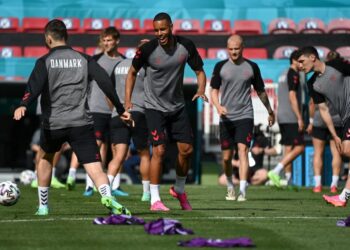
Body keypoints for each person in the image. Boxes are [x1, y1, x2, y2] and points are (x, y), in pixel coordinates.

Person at [13, 19, 132, 216]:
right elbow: (105, 82)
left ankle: (43, 207)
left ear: (48, 38)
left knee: (45, 159)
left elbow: (34, 86)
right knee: (94, 165)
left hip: (54, 123)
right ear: (66, 37)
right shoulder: (85, 59)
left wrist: (24, 104)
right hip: (81, 123)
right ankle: (107, 195)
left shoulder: (44, 61)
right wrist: (120, 108)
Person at [125, 12, 207, 211]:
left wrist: (201, 90)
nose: (159, 33)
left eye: (163, 29)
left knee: (186, 151)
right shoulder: (147, 49)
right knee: (159, 150)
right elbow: (132, 72)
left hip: (177, 107)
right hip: (154, 107)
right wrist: (127, 101)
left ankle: (179, 190)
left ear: (171, 26)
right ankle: (155, 200)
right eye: (156, 30)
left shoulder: (186, 46)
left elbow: (200, 71)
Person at [210, 34, 275, 201]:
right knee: (226, 158)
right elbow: (214, 90)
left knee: (243, 151)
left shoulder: (252, 67)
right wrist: (218, 106)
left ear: (242, 47)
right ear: (227, 49)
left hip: (245, 115)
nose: (233, 52)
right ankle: (231, 186)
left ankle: (243, 192)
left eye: (236, 49)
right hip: (226, 118)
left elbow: (260, 91)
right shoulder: (220, 67)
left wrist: (270, 110)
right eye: (230, 49)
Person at [65, 27, 128, 197]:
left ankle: (115, 185)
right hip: (97, 109)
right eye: (104, 40)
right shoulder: (95, 60)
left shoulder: (124, 62)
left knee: (116, 149)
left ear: (117, 41)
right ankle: (89, 186)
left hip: (116, 112)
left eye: (109, 40)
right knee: (96, 145)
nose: (107, 43)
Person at [297, 46, 350, 207]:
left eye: (301, 61)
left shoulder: (337, 65)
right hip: (345, 118)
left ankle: (343, 196)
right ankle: (343, 196)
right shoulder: (312, 83)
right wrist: (334, 134)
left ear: (313, 57)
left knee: (348, 150)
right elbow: (324, 110)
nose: (299, 65)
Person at [108, 44, 151, 202]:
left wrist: (115, 110)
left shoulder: (119, 65)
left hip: (117, 114)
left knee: (118, 156)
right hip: (138, 112)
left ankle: (106, 190)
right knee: (145, 154)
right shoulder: (148, 67)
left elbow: (109, 92)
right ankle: (146, 193)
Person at [268, 50, 305, 187]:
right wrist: (300, 117)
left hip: (282, 114)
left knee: (288, 147)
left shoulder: (282, 74)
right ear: (294, 61)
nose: (302, 64)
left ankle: (288, 179)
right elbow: (292, 96)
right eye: (300, 61)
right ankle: (276, 171)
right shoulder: (293, 74)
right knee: (300, 147)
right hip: (291, 116)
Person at [306, 64, 342, 193]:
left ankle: (317, 184)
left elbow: (312, 103)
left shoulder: (316, 82)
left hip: (319, 120)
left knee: (318, 153)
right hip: (337, 120)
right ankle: (334, 184)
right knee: (337, 153)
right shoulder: (338, 80)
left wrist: (310, 122)